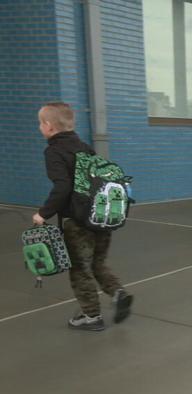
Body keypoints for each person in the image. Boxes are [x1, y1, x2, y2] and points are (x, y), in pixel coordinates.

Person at [32, 102, 133, 332]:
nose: (39, 127)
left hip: (78, 221)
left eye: (40, 123)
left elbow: (62, 187)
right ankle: (118, 293)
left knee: (79, 268)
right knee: (97, 263)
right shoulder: (84, 147)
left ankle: (91, 317)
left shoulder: (54, 151)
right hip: (101, 216)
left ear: (49, 126)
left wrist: (43, 213)